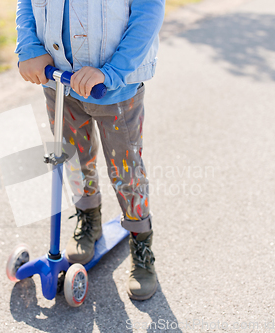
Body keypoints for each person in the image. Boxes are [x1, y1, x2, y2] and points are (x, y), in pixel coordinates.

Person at [15, 0, 165, 300]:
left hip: (114, 89)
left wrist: (111, 72)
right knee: (71, 160)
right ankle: (89, 220)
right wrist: (29, 47)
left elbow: (148, 13)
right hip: (59, 83)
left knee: (126, 170)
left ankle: (141, 245)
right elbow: (27, 4)